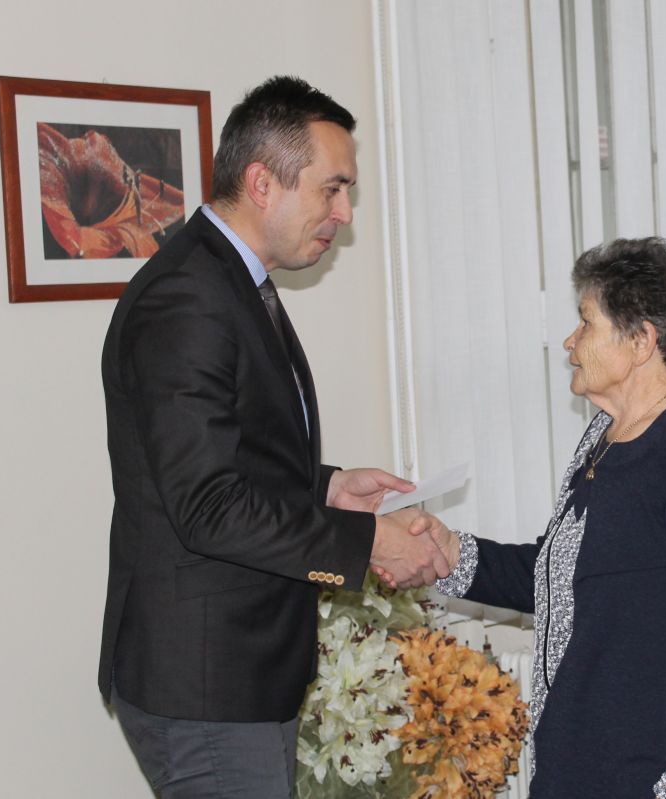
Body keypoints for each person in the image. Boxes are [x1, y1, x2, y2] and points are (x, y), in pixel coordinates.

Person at [98, 76, 449, 797]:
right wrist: (368, 543)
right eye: (333, 189)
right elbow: (207, 506)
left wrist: (327, 485)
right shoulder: (189, 296)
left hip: (238, 673)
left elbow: (227, 450)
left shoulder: (231, 278)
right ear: (262, 183)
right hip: (207, 681)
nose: (344, 214)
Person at [408, 238, 666, 798]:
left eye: (585, 322)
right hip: (577, 762)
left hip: (645, 777)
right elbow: (564, 577)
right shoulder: (603, 436)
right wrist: (449, 552)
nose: (569, 341)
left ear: (641, 341)